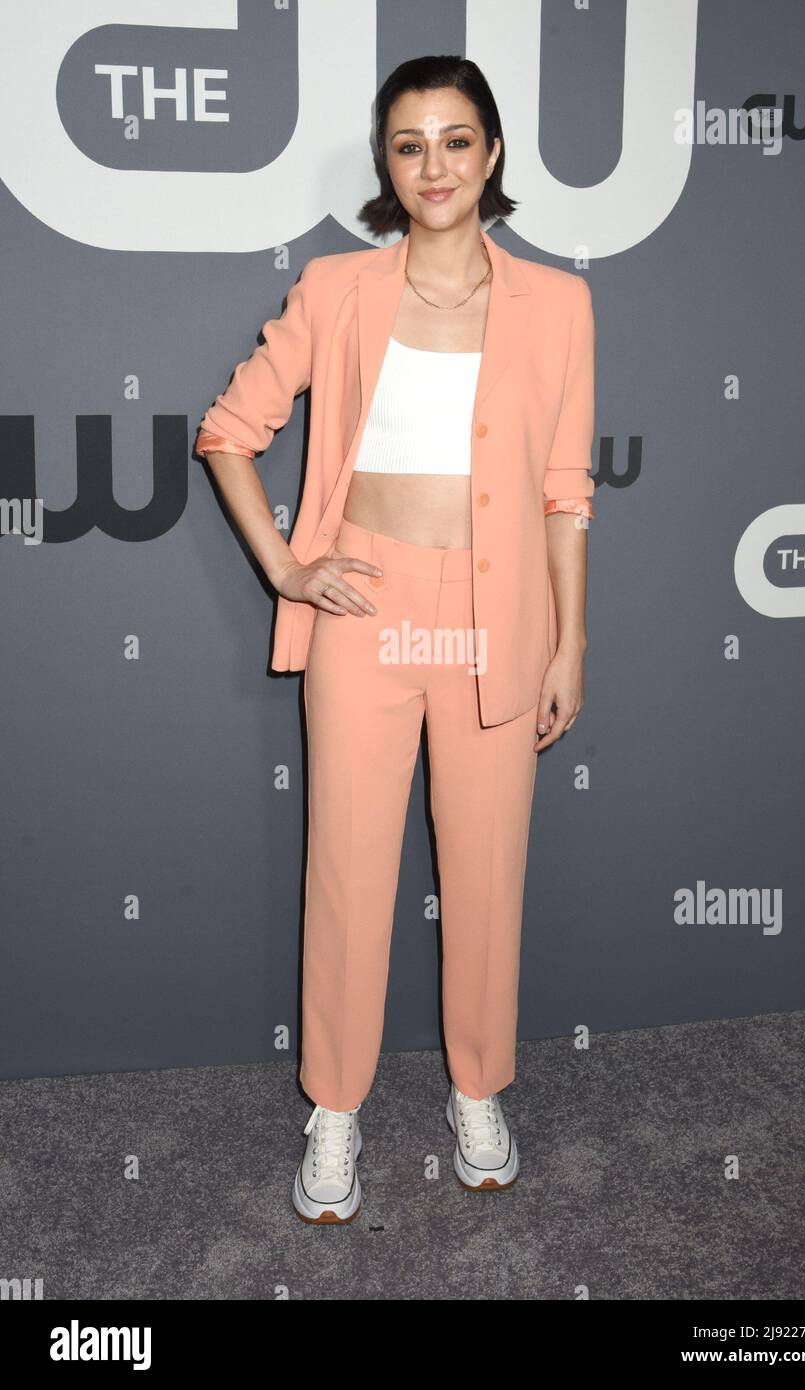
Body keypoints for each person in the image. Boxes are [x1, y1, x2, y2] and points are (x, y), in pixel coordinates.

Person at [194, 55, 596, 1224]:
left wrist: (570, 645)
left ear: (494, 154)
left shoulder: (559, 305)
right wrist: (287, 566)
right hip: (364, 614)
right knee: (349, 869)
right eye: (410, 144)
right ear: (385, 161)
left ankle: (478, 1090)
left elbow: (564, 491)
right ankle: (334, 1109)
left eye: (456, 139)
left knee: (485, 873)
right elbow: (230, 430)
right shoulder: (336, 290)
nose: (434, 165)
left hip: (496, 619)